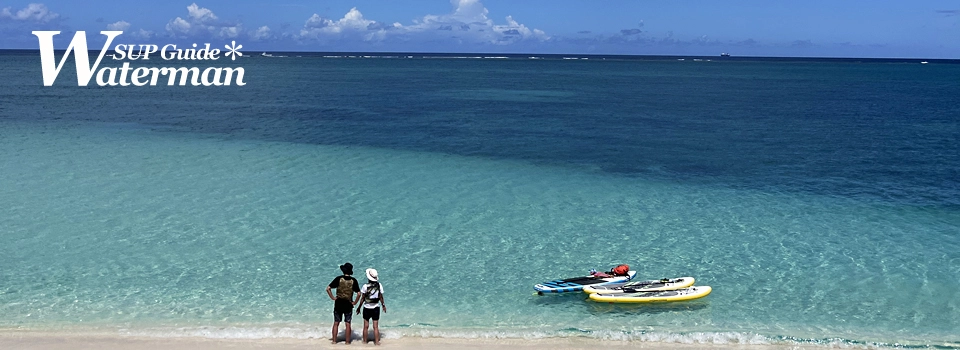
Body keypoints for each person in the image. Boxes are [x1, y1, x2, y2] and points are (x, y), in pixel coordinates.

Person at [326, 262, 361, 344]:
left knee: (336, 323)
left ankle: (334, 341)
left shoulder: (338, 279)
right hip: (348, 304)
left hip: (338, 303)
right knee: (348, 323)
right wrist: (355, 302)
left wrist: (333, 298)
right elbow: (359, 293)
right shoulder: (353, 280)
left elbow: (328, 288)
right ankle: (347, 342)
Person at [355, 268, 386, 345]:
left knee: (366, 326)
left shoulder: (365, 286)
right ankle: (377, 342)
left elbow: (362, 298)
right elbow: (381, 297)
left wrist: (359, 307)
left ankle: (365, 341)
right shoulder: (379, 285)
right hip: (376, 307)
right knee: (375, 327)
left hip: (367, 308)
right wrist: (383, 305)